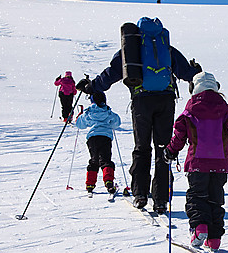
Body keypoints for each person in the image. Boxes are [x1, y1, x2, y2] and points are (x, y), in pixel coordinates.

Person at [77, 18, 200, 213]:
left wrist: (92, 87)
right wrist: (196, 71)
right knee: (163, 149)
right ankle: (161, 200)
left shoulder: (131, 47)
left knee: (142, 148)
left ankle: (140, 194)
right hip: (166, 100)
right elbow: (186, 72)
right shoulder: (165, 46)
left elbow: (112, 73)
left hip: (141, 100)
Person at [164, 72, 228, 250]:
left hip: (197, 164)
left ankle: (199, 227)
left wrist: (170, 151)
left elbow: (179, 134)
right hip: (220, 165)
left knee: (196, 197)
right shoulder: (223, 107)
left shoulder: (191, 108)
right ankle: (214, 239)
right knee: (215, 200)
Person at [74, 90, 121, 194]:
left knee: (94, 160)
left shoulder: (89, 112)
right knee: (105, 160)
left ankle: (90, 184)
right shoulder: (108, 111)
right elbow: (117, 123)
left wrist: (80, 117)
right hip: (105, 137)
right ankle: (108, 181)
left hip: (92, 138)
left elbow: (80, 124)